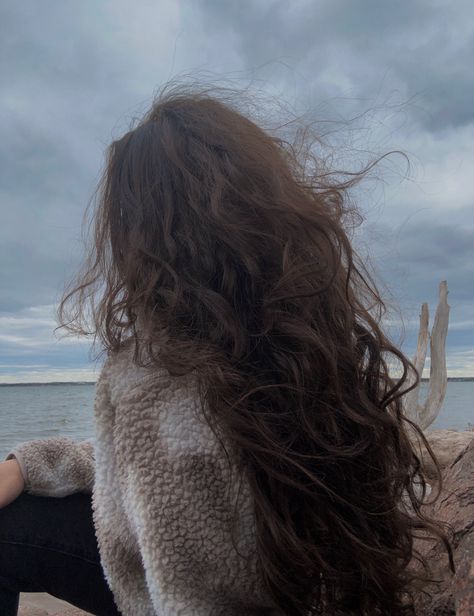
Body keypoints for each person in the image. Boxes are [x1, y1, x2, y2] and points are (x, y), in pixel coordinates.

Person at [0, 82, 453, 616]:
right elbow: (155, 471)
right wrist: (32, 463)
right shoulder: (312, 339)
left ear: (148, 233)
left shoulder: (159, 380)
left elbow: (188, 587)